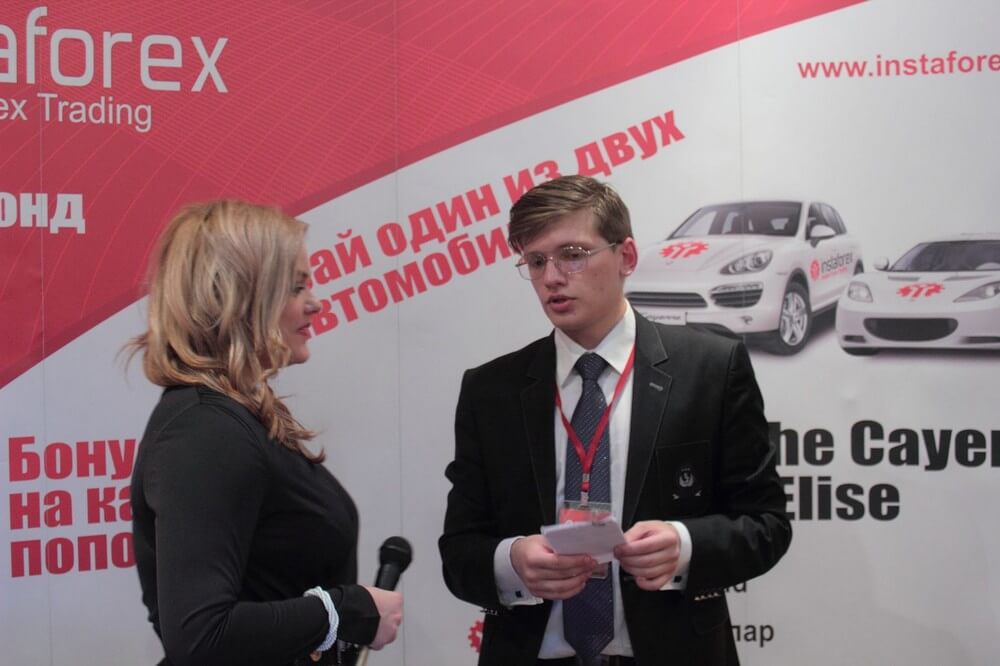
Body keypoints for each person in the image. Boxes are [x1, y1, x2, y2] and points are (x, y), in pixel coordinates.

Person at [439, 175, 791, 666]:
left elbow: (766, 524)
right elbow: (459, 550)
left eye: (572, 255)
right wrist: (512, 562)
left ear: (626, 256)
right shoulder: (491, 389)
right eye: (536, 261)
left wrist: (685, 546)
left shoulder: (711, 369)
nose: (552, 277)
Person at [128, 201, 403, 666]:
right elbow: (200, 635)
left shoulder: (231, 417)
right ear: (238, 297)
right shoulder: (205, 430)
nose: (315, 302)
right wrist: (344, 610)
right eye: (295, 286)